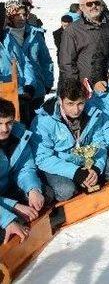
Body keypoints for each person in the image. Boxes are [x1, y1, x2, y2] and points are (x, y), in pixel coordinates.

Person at [31, 78, 109, 202]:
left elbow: (99, 142)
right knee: (66, 190)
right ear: (60, 100)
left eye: (80, 103)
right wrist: (75, 173)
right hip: (59, 164)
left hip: (85, 161)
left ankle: (87, 180)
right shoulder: (43, 121)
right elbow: (42, 158)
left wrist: (96, 167)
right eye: (70, 104)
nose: (76, 110)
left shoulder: (92, 112)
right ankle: (66, 186)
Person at [0, 99, 44, 244]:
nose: (5, 129)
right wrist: (12, 209)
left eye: (9, 123)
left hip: (7, 189)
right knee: (5, 231)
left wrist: (32, 189)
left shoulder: (19, 135)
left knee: (43, 196)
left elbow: (25, 167)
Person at [5, 0, 54, 113]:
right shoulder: (4, 36)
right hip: (13, 91)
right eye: (18, 14)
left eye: (25, 14)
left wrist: (48, 82)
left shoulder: (35, 34)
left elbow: (46, 60)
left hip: (36, 89)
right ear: (9, 15)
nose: (22, 17)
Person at [59, 0, 108, 84]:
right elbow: (67, 63)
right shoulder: (72, 30)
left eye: (97, 3)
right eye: (89, 4)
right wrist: (75, 87)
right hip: (87, 87)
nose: (94, 6)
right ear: (82, 7)